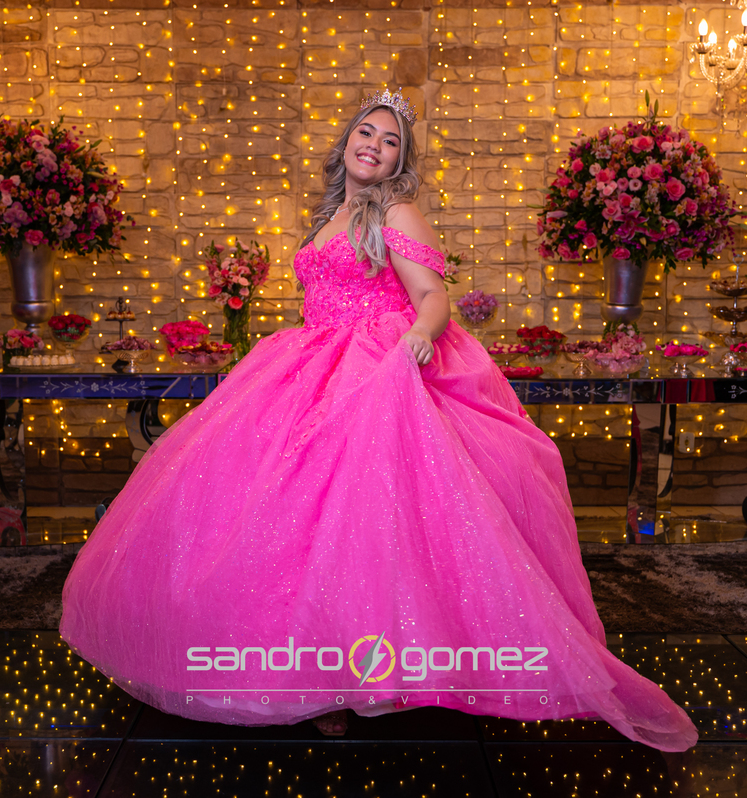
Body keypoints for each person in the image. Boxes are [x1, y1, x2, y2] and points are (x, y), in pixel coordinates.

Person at [60, 89, 698, 751]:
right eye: (366, 133)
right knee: (278, 518)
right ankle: (305, 673)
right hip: (308, 362)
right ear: (346, 143)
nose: (374, 146)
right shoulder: (331, 213)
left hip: (371, 362)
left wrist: (420, 334)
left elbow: (432, 295)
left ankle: (349, 678)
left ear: (400, 160)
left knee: (354, 523)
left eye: (390, 141)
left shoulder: (396, 210)